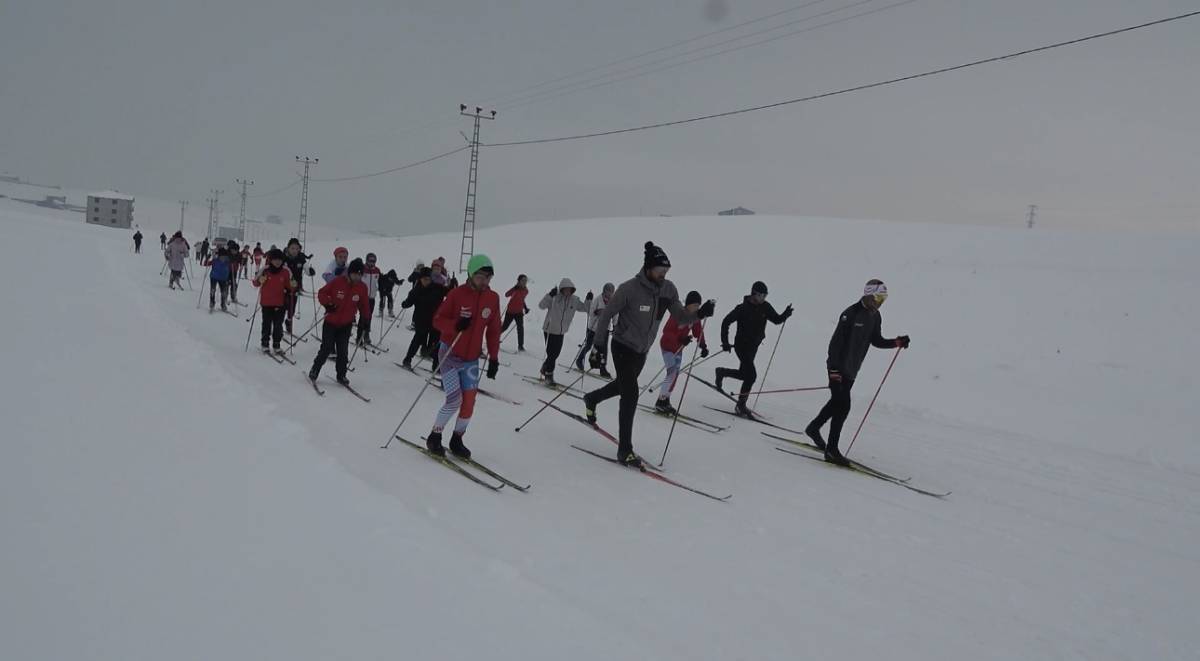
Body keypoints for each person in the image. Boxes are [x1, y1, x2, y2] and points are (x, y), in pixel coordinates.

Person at [584, 242, 715, 467]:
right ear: (648, 268)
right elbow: (606, 316)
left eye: (666, 271)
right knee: (631, 393)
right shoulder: (629, 289)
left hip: (642, 351)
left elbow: (681, 317)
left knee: (622, 386)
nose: (663, 275)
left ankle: (592, 398)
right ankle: (625, 450)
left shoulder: (669, 290)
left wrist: (700, 314)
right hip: (622, 346)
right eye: (659, 271)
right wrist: (597, 346)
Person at [806, 280, 909, 466]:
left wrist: (896, 342)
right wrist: (834, 372)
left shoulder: (875, 316)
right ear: (868, 295)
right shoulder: (850, 314)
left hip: (852, 369)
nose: (880, 302)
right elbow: (834, 345)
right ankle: (832, 450)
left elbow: (876, 340)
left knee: (836, 403)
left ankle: (813, 428)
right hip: (837, 368)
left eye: (883, 299)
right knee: (843, 406)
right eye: (878, 297)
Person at [425, 254, 501, 458]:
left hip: (471, 359)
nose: (483, 281)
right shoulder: (457, 294)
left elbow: (494, 330)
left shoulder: (492, 299)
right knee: (454, 400)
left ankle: (457, 439)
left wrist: (494, 358)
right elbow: (437, 320)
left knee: (469, 403)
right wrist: (455, 325)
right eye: (479, 276)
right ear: (470, 273)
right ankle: (434, 437)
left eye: (487, 277)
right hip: (450, 355)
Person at [715, 281, 793, 417]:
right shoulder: (742, 308)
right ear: (753, 294)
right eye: (761, 295)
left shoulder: (765, 307)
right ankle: (741, 405)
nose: (763, 298)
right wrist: (725, 342)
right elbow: (726, 322)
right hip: (741, 346)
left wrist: (785, 314)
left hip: (753, 347)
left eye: (765, 296)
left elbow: (776, 320)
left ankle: (722, 372)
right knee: (751, 376)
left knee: (745, 374)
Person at [309, 258, 371, 386]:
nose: (357, 277)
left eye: (360, 274)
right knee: (326, 348)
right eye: (355, 274)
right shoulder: (338, 282)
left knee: (343, 352)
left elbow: (364, 305)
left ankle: (341, 375)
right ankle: (315, 369)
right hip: (330, 323)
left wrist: (365, 320)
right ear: (349, 272)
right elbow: (322, 293)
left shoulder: (362, 288)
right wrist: (328, 304)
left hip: (346, 324)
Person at [655, 291, 709, 414]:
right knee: (671, 372)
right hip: (668, 347)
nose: (697, 308)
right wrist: (680, 339)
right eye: (695, 305)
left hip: (679, 349)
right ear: (688, 304)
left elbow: (698, 331)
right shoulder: (678, 314)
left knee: (675, 374)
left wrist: (703, 345)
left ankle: (666, 399)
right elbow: (667, 332)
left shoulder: (695, 318)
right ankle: (660, 401)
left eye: (698, 306)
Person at [537, 278, 591, 384]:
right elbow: (541, 306)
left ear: (572, 290)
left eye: (569, 290)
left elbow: (585, 308)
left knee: (555, 354)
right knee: (552, 354)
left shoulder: (574, 300)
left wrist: (588, 300)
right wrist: (549, 295)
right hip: (550, 329)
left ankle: (545, 367)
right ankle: (549, 375)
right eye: (565, 289)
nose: (567, 292)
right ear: (561, 289)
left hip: (561, 332)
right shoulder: (554, 298)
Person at [399, 267, 448, 369]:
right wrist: (405, 304)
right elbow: (409, 301)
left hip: (435, 321)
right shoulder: (416, 291)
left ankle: (436, 366)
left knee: (437, 343)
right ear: (420, 279)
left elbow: (450, 293)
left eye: (428, 279)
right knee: (417, 340)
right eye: (424, 279)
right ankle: (407, 359)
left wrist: (452, 285)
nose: (426, 281)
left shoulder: (437, 288)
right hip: (421, 320)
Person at [253, 248, 297, 354]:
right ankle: (265, 343)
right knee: (266, 324)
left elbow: (292, 285)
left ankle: (277, 344)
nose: (278, 262)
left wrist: (293, 286)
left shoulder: (286, 271)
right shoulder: (265, 269)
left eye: (280, 260)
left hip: (280, 303)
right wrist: (260, 280)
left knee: (278, 325)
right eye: (275, 259)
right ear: (271, 260)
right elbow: (255, 283)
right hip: (266, 303)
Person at [574, 282, 614, 375]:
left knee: (604, 349)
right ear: (604, 291)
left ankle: (602, 368)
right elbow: (591, 312)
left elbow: (615, 314)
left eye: (611, 292)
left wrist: (615, 325)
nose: (609, 294)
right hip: (593, 327)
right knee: (588, 345)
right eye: (608, 292)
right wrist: (597, 312)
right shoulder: (597, 300)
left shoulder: (613, 302)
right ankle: (579, 360)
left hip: (605, 329)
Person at [283, 238, 314, 335]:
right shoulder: (284, 257)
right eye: (292, 248)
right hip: (284, 285)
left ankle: (288, 321)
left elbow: (306, 267)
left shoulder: (301, 257)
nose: (295, 251)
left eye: (297, 248)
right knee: (282, 306)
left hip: (296, 286)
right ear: (288, 248)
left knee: (292, 306)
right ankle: (277, 325)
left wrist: (310, 271)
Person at [356, 252, 382, 346]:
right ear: (366, 260)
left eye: (374, 261)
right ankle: (359, 337)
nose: (372, 263)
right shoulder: (362, 269)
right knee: (363, 317)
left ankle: (366, 334)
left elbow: (380, 282)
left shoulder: (377, 271)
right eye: (370, 261)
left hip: (372, 297)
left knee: (369, 317)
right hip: (362, 298)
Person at [502, 274, 531, 352]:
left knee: (520, 329)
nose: (525, 282)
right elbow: (506, 295)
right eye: (523, 280)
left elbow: (521, 300)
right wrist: (514, 289)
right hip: (510, 312)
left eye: (526, 281)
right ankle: (493, 339)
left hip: (519, 313)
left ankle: (520, 346)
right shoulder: (515, 289)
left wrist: (525, 308)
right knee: (504, 327)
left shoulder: (526, 291)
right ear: (519, 281)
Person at [203, 246, 233, 312]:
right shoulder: (216, 260)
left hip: (223, 278)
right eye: (222, 256)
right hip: (215, 277)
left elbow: (231, 270)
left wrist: (230, 279)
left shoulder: (228, 261)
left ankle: (222, 304)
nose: (223, 258)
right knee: (214, 290)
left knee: (223, 292)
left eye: (224, 257)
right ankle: (212, 303)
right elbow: (205, 264)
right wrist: (207, 258)